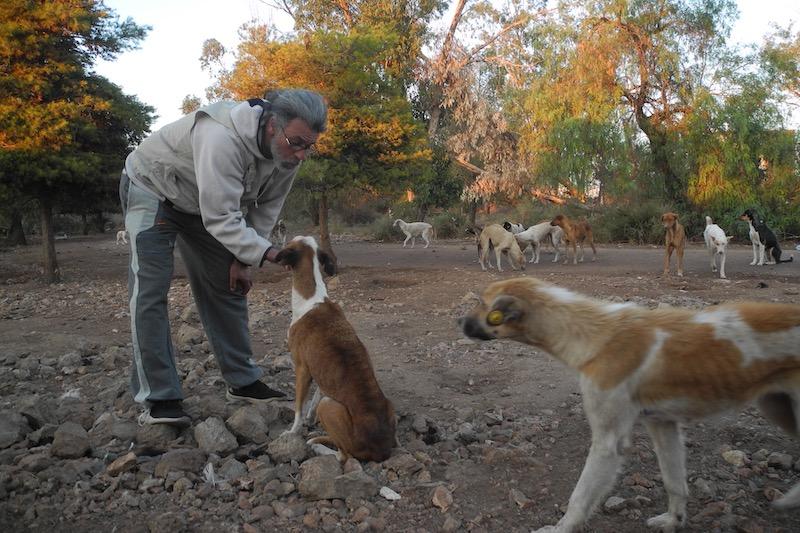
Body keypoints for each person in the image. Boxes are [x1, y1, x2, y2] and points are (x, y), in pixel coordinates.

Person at [119, 89, 328, 426]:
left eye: (310, 146)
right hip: (154, 188)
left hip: (204, 206)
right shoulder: (221, 137)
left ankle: (243, 381)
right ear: (273, 125)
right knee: (149, 291)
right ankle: (159, 398)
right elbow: (220, 218)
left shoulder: (287, 154)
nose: (302, 154)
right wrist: (271, 253)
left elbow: (266, 209)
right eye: (298, 142)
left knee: (229, 283)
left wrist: (244, 261)